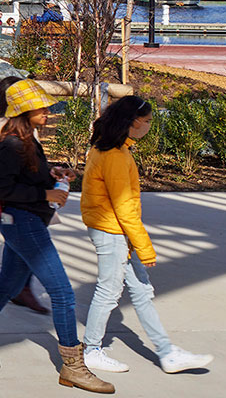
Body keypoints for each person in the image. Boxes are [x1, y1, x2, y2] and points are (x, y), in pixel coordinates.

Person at [0, 79, 112, 394]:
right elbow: (2, 189)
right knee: (62, 293)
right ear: (24, 111)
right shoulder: (11, 144)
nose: (48, 112)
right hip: (23, 223)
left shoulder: (27, 141)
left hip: (25, 221)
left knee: (9, 285)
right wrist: (46, 193)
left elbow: (27, 177)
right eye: (41, 108)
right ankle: (73, 367)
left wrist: (54, 176)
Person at [81, 95, 213, 375]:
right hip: (112, 231)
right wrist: (144, 246)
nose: (151, 125)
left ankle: (167, 353)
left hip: (115, 229)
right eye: (148, 121)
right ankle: (91, 350)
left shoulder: (111, 148)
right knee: (108, 291)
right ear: (133, 123)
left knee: (141, 290)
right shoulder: (114, 155)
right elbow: (124, 206)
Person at [0, 77, 50, 317]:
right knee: (61, 289)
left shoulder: (18, 127)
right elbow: (13, 169)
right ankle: (22, 289)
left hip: (27, 201)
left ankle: (19, 290)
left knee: (10, 268)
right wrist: (44, 189)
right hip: (21, 202)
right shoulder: (6, 130)